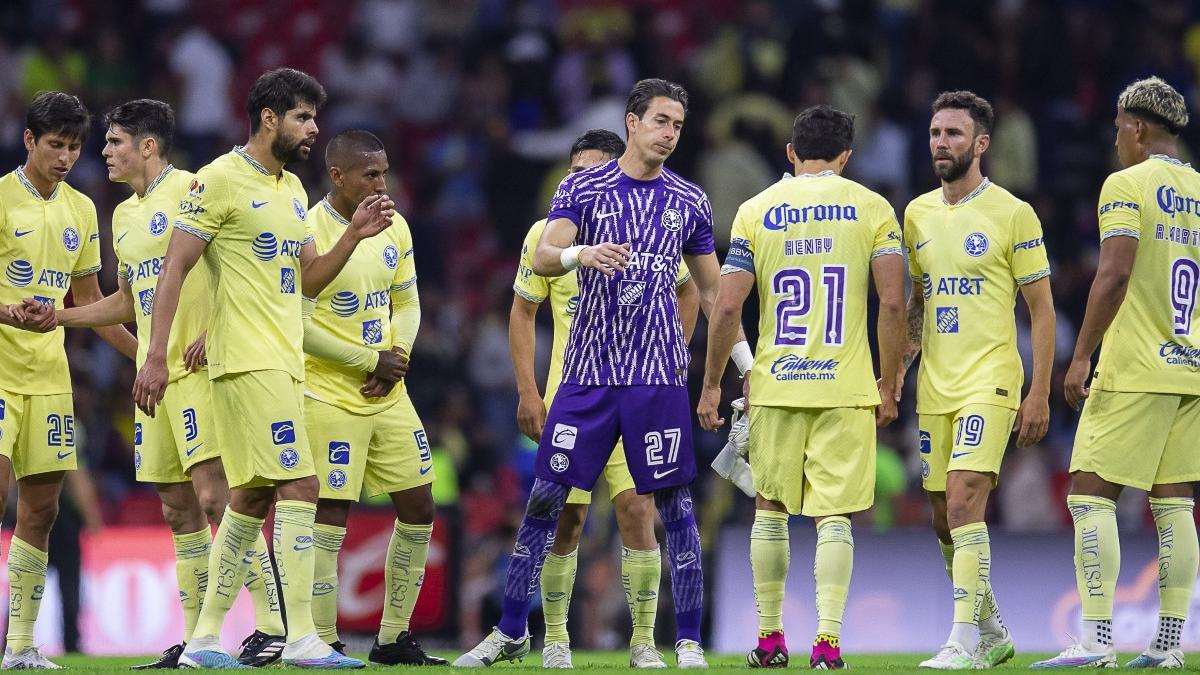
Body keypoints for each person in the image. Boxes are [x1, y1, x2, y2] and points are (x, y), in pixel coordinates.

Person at [457, 77, 736, 670]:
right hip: (585, 379)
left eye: (678, 125)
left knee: (671, 508)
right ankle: (514, 632)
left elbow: (714, 295)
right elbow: (539, 257)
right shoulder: (582, 190)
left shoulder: (689, 200)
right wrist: (581, 254)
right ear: (632, 123)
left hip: (656, 381)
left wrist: (741, 369)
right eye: (661, 121)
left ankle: (681, 642)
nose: (670, 133)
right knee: (547, 504)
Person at [131, 67, 393, 669]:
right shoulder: (218, 180)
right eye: (303, 116)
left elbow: (306, 281)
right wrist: (156, 357)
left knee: (249, 499)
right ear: (269, 117)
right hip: (246, 361)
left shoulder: (292, 190)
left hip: (284, 359)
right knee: (301, 485)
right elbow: (174, 269)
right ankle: (301, 636)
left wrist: (351, 236)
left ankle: (202, 641)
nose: (313, 128)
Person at [23, 98, 287, 668]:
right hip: (155, 378)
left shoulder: (196, 189)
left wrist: (216, 332)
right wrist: (61, 315)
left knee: (217, 497)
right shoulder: (123, 215)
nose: (104, 152)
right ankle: (197, 639)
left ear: (147, 145)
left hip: (197, 373)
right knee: (177, 509)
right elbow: (128, 300)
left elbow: (246, 269)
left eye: (114, 141)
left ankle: (271, 626)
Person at [698, 104, 906, 670]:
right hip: (845, 386)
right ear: (846, 157)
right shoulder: (873, 208)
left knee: (769, 510)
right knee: (834, 518)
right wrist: (891, 382)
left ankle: (769, 640)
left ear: (790, 153)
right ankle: (828, 643)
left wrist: (713, 382)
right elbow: (892, 303)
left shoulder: (755, 209)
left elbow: (726, 307)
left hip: (775, 385)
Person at [509, 128, 701, 668]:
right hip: (573, 393)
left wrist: (673, 354)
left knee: (637, 511)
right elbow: (522, 312)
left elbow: (690, 289)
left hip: (639, 389)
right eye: (575, 172)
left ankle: (643, 642)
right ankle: (555, 641)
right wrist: (528, 390)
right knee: (563, 519)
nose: (581, 181)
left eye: (592, 171)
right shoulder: (547, 237)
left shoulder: (645, 227)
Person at [1033, 77, 1200, 670]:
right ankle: (1170, 644)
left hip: (1134, 365)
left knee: (1088, 496)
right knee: (1174, 503)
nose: (1115, 143)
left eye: (1116, 131)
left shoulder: (1127, 184)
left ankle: (1098, 640)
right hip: (1189, 367)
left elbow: (1114, 274)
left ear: (1135, 128)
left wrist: (1081, 356)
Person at [901, 91, 1055, 670]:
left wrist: (1038, 389)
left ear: (981, 144)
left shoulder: (1013, 213)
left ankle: (962, 638)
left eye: (954, 134)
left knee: (966, 496)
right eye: (936, 133)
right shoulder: (916, 213)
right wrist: (896, 373)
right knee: (943, 512)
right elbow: (918, 303)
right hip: (934, 383)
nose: (942, 143)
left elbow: (1041, 308)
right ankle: (992, 627)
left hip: (991, 377)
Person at [0, 91, 137, 669]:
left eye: (74, 147)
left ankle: (22, 645)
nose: (65, 157)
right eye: (55, 144)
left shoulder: (83, 209)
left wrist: (150, 358)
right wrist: (6, 311)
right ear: (29, 140)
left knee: (43, 511)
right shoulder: (1, 198)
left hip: (51, 378)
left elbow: (90, 303)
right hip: (1, 376)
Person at [299, 129, 446, 666]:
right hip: (327, 392)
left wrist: (397, 355)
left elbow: (407, 302)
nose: (382, 183)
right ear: (337, 176)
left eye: (384, 172)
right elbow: (299, 323)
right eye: (370, 174)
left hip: (388, 390)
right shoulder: (307, 227)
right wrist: (369, 361)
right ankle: (322, 638)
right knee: (331, 509)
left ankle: (392, 639)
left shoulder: (395, 225)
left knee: (420, 504)